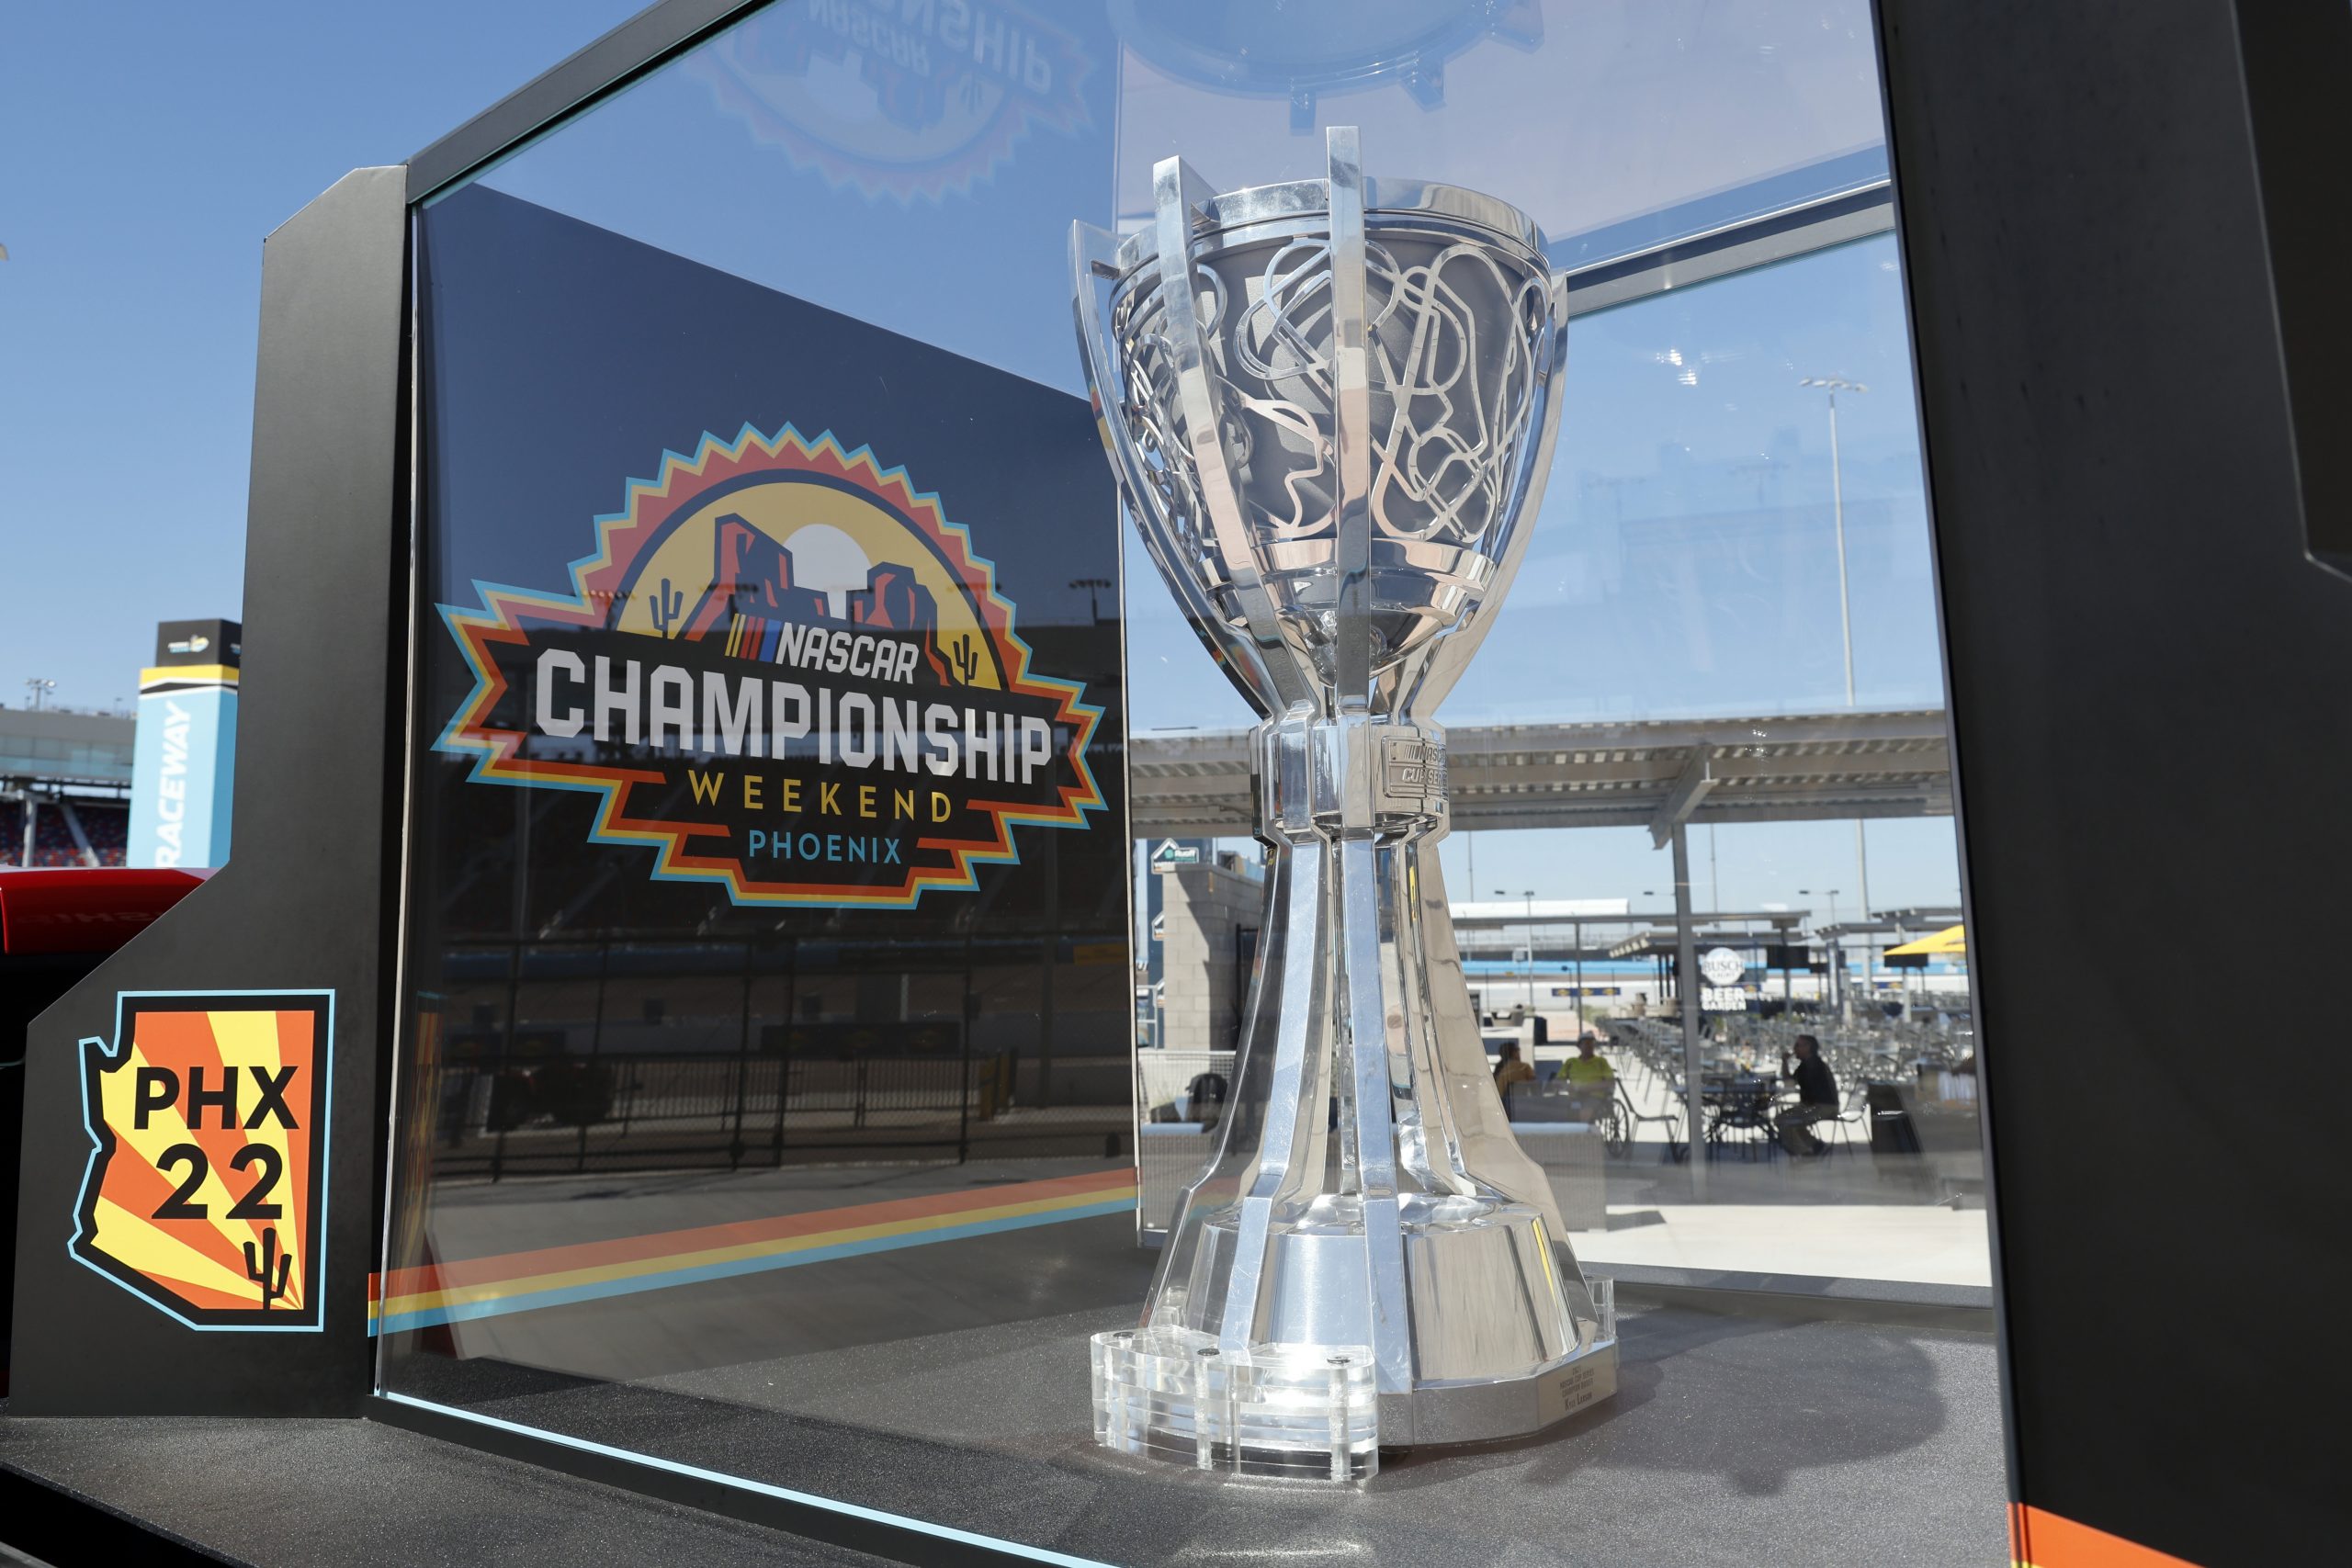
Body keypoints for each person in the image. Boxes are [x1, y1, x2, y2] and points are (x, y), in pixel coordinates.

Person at [1776, 1033, 1839, 1156]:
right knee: (1785, 1118)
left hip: (1823, 1107)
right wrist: (1784, 1062)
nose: (1794, 1049)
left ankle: (1804, 1153)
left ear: (1808, 1047)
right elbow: (1789, 1083)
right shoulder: (1808, 1063)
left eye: (1797, 1045)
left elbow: (1789, 1085)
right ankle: (1816, 1146)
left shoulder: (1812, 1065)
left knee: (1784, 1120)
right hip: (1820, 1106)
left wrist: (1785, 1061)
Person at [1493, 1041, 1535, 1115]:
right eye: (1517, 1051)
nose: (1519, 1053)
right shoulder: (1524, 1067)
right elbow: (1535, 1089)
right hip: (1521, 1105)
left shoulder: (1499, 1069)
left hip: (1500, 1105)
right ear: (1514, 1053)